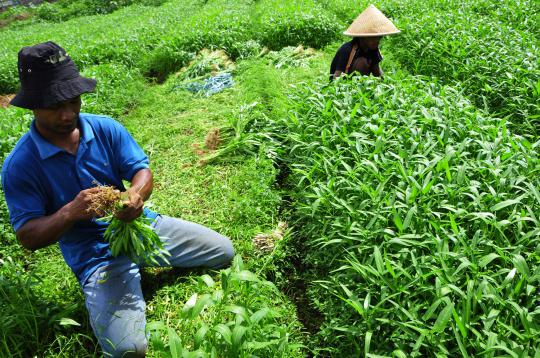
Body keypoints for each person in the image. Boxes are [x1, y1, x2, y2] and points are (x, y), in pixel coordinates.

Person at [1, 41, 234, 357]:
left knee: (223, 251)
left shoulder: (104, 128)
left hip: (140, 228)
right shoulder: (21, 165)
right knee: (128, 350)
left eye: (73, 100)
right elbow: (28, 236)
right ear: (33, 105)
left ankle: (142, 259)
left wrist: (133, 197)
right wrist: (70, 212)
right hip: (95, 255)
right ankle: (116, 280)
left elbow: (142, 171)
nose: (67, 113)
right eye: (55, 105)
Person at [330, 4, 400, 80]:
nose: (377, 41)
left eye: (379, 38)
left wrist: (388, 85)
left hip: (360, 85)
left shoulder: (373, 50)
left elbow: (377, 72)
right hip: (344, 84)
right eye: (373, 38)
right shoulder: (347, 49)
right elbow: (336, 77)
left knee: (368, 62)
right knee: (362, 62)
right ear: (362, 38)